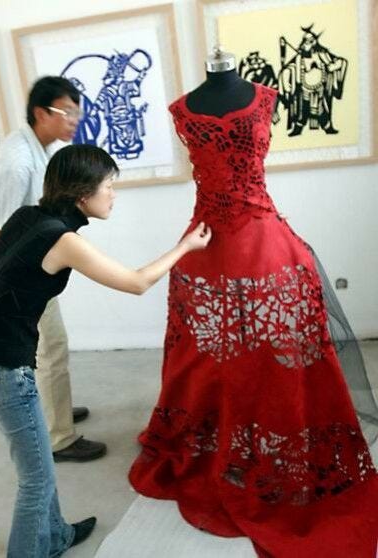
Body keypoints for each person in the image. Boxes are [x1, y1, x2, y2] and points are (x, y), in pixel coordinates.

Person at [129, 49, 378, 557]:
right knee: (201, 356)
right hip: (204, 244)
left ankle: (274, 437)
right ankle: (215, 436)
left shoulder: (266, 98)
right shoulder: (181, 110)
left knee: (278, 351)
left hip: (263, 240)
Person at [0, 143, 211, 558]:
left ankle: (55, 537)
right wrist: (187, 247)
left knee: (40, 469)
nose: (114, 194)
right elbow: (137, 282)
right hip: (2, 367)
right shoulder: (61, 238)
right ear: (83, 194)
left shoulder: (28, 217)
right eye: (109, 186)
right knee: (36, 477)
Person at [0, 76, 106, 461]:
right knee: (51, 349)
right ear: (41, 113)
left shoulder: (40, 150)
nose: (74, 120)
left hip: (35, 269)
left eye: (76, 113)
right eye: (67, 112)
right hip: (22, 277)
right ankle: (59, 436)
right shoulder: (17, 161)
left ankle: (55, 412)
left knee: (50, 348)